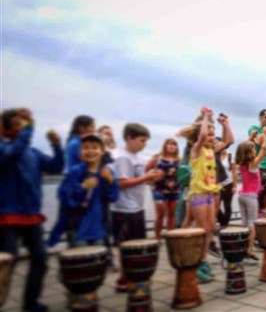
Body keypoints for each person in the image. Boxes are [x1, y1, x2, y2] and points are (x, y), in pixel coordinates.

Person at [0, 108, 64, 312]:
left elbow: (55, 167)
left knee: (41, 260)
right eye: (19, 124)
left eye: (24, 124)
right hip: (7, 216)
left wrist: (57, 146)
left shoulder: (33, 152)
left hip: (31, 216)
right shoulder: (3, 148)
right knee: (6, 266)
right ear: (5, 128)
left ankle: (30, 302)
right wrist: (30, 126)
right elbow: (12, 154)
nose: (24, 128)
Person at [184, 108, 234, 281]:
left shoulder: (212, 151)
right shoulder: (196, 150)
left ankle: (203, 259)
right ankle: (196, 261)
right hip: (198, 194)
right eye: (209, 134)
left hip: (211, 193)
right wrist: (206, 117)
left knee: (210, 227)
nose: (212, 137)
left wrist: (225, 124)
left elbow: (229, 140)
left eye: (213, 135)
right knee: (201, 227)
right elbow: (202, 134)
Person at [111, 123, 162, 291]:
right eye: (141, 141)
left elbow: (141, 181)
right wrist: (145, 177)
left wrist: (153, 177)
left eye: (145, 141)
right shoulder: (122, 158)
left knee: (137, 245)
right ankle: (123, 279)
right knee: (127, 246)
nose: (144, 145)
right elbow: (122, 183)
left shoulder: (139, 159)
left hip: (137, 207)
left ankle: (134, 276)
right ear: (129, 138)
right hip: (124, 209)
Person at [54, 134, 119, 247]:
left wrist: (111, 181)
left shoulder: (106, 172)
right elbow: (63, 196)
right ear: (80, 151)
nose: (90, 151)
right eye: (85, 147)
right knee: (82, 260)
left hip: (99, 227)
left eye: (94, 147)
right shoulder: (74, 172)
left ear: (102, 151)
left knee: (100, 260)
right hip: (77, 227)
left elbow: (113, 197)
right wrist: (82, 187)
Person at [236, 124, 266, 262]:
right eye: (253, 149)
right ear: (250, 152)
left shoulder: (241, 163)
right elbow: (264, 148)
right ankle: (250, 249)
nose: (254, 150)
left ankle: (242, 246)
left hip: (241, 196)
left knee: (244, 222)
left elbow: (243, 147)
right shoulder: (253, 163)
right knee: (252, 224)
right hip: (251, 196)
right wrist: (265, 134)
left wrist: (251, 138)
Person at [145, 138, 181, 240]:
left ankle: (171, 237)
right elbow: (146, 169)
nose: (172, 146)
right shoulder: (158, 158)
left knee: (172, 214)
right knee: (161, 214)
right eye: (169, 144)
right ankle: (157, 237)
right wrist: (149, 179)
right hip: (159, 190)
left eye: (174, 144)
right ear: (165, 146)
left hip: (175, 190)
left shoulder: (179, 159)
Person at [216, 139, 237, 228]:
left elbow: (234, 171)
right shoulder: (215, 156)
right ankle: (223, 222)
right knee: (216, 206)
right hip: (217, 184)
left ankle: (225, 225)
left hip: (228, 183)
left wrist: (235, 186)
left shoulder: (230, 155)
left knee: (227, 205)